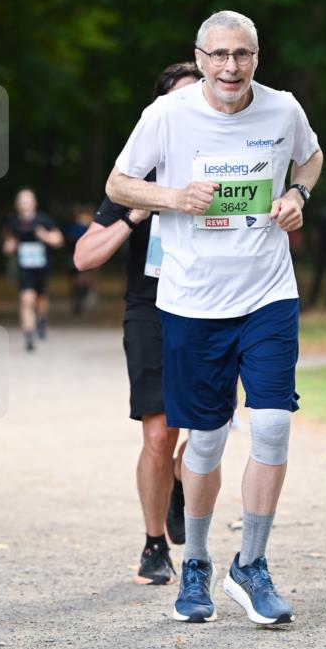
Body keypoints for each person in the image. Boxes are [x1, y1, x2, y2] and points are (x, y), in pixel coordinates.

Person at [106, 10, 323, 625]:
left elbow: (311, 158)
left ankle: (251, 566)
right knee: (203, 439)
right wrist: (171, 197)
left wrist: (297, 195)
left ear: (257, 56)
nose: (232, 67)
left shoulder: (283, 110)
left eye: (243, 54)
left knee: (274, 423)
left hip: (267, 292)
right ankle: (196, 563)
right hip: (192, 301)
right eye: (219, 55)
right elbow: (119, 183)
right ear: (199, 59)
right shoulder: (166, 116)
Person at [75, 63, 203, 586]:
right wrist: (134, 216)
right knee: (159, 432)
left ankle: (177, 481)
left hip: (212, 307)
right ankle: (155, 544)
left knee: (206, 430)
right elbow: (84, 258)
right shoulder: (134, 181)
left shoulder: (228, 175)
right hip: (150, 309)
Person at [2, 189, 64, 351]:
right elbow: (7, 245)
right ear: (17, 204)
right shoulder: (13, 223)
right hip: (24, 268)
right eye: (21, 201)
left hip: (42, 268)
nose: (25, 204)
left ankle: (42, 319)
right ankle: (29, 335)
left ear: (34, 203)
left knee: (41, 299)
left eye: (27, 201)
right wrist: (10, 246)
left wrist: (44, 236)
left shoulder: (44, 220)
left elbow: (58, 240)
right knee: (26, 299)